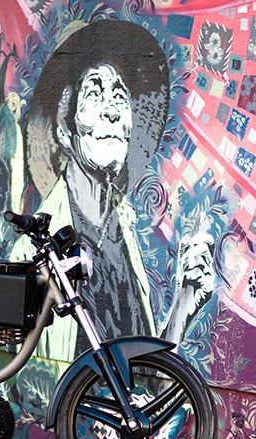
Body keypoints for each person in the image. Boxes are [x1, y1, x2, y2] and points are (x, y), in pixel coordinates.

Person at [14, 20, 214, 358]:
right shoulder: (34, 253)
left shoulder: (125, 232)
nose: (111, 110)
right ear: (65, 128)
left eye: (120, 96)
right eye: (94, 94)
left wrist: (184, 300)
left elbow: (144, 376)